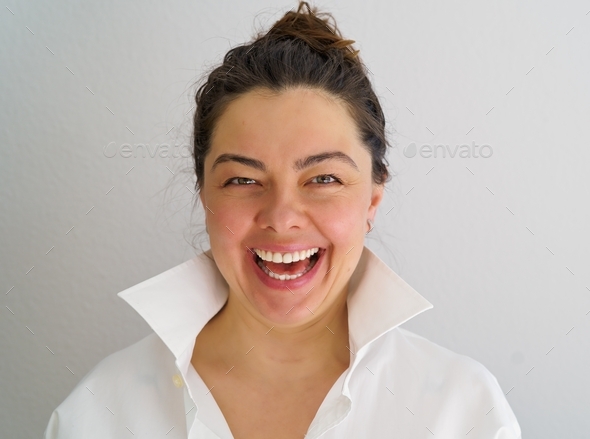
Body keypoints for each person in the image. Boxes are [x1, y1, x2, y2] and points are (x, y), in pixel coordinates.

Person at [44, 2, 522, 438]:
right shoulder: (96, 412)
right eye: (243, 180)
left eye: (324, 179)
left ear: (373, 200)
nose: (282, 218)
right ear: (204, 194)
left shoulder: (462, 411)